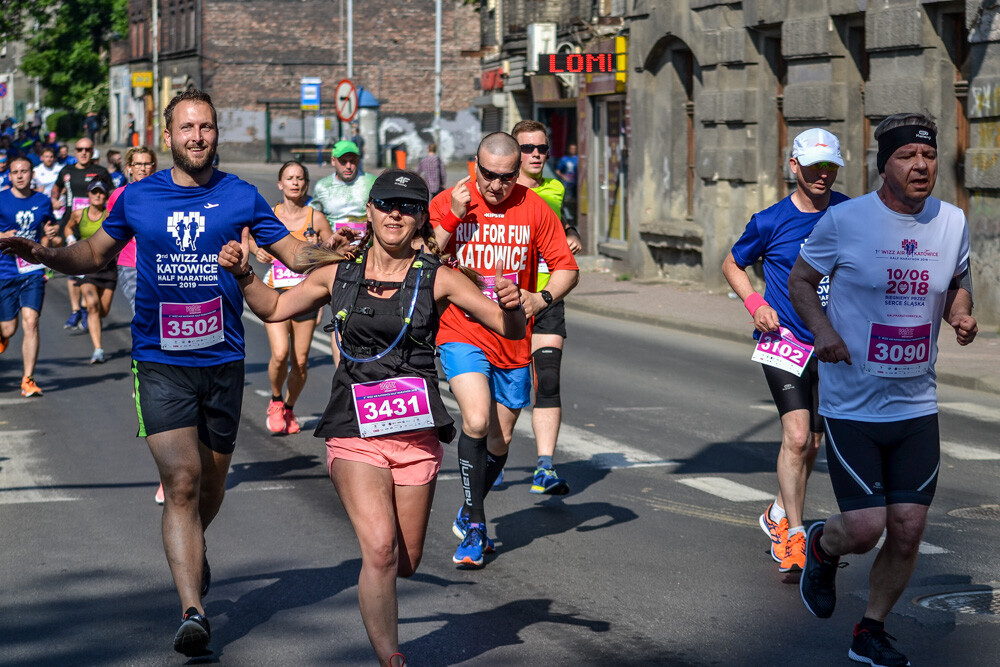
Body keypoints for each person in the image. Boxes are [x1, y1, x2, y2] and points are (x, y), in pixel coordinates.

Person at [0, 88, 319, 658]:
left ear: (216, 135)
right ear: (166, 136)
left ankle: (193, 552)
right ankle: (192, 610)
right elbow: (94, 254)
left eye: (207, 127)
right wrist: (44, 254)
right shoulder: (139, 198)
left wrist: (348, 249)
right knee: (182, 482)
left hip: (222, 360)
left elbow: (294, 255)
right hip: (160, 361)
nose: (197, 136)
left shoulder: (241, 196)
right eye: (187, 128)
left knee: (212, 486)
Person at [220, 168, 525, 667]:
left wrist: (513, 306)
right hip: (353, 428)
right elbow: (275, 308)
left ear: (421, 218)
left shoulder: (439, 278)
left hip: (416, 433)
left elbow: (506, 328)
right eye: (386, 204)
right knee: (380, 550)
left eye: (407, 208)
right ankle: (391, 655)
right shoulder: (340, 271)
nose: (395, 214)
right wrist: (242, 275)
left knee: (406, 561)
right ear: (370, 211)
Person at [789, 113, 977, 667]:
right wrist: (822, 332)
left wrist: (961, 314)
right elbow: (802, 280)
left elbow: (958, 281)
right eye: (907, 157)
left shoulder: (952, 221)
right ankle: (823, 544)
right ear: (883, 165)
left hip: (917, 401)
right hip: (853, 400)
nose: (921, 166)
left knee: (908, 528)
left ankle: (869, 629)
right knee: (867, 528)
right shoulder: (846, 222)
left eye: (929, 156)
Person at [431, 131, 579, 567]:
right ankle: (476, 525)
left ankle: (469, 505)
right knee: (475, 420)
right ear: (474, 165)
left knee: (501, 437)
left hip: (514, 337)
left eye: (506, 177)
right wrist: (454, 218)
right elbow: (421, 257)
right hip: (462, 328)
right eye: (488, 175)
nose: (496, 186)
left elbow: (567, 268)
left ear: (519, 172)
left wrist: (542, 299)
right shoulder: (451, 200)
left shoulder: (535, 209)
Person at [721, 128, 849, 573]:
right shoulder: (770, 220)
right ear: (793, 166)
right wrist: (755, 304)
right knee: (796, 436)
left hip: (833, 343)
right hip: (785, 342)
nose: (822, 175)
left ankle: (777, 510)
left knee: (814, 441)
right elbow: (732, 263)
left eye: (830, 166)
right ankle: (794, 535)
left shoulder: (851, 212)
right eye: (813, 166)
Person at [511, 119, 583, 495]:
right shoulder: (502, 191)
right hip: (506, 299)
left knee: (548, 379)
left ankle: (544, 467)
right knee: (505, 388)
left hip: (547, 295)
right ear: (513, 151)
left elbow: (557, 225)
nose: (536, 154)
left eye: (542, 149)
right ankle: (491, 455)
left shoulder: (554, 187)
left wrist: (571, 234)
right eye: (527, 148)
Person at [253, 160, 333, 434]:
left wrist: (319, 251)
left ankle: (289, 406)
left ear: (306, 184)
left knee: (300, 360)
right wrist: (256, 250)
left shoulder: (316, 219)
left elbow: (332, 254)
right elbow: (248, 235)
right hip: (275, 293)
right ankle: (275, 400)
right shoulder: (269, 214)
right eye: (290, 178)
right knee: (280, 353)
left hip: (306, 295)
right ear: (280, 184)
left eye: (300, 178)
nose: (295, 182)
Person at [0, 156, 59, 396]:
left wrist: (51, 233)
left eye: (25, 171)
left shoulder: (42, 200)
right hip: (5, 271)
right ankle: (3, 336)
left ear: (32, 174)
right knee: (8, 329)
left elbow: (49, 229)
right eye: (16, 172)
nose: (21, 175)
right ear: (10, 175)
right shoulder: (1, 199)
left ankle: (28, 380)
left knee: (31, 323)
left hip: (32, 270)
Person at [50, 137, 110, 331]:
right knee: (72, 267)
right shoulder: (66, 171)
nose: (84, 152)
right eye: (80, 149)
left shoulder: (101, 172)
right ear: (75, 151)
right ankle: (76, 309)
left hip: (94, 223)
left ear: (92, 151)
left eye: (87, 149)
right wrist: (54, 200)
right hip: (72, 222)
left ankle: (86, 307)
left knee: (92, 266)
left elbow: (112, 193)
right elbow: (56, 188)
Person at [64, 175, 116, 364]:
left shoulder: (109, 216)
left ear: (105, 197)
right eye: (94, 192)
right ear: (89, 194)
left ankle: (88, 310)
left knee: (102, 311)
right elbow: (68, 228)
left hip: (108, 269)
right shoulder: (79, 214)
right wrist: (71, 240)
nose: (98, 196)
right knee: (93, 305)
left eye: (101, 193)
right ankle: (98, 349)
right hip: (87, 268)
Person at [111, 146, 158, 319]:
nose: (143, 168)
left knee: (161, 312)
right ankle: (144, 346)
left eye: (147, 164)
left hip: (160, 263)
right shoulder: (118, 195)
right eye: (138, 164)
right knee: (141, 312)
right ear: (129, 167)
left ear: (153, 167)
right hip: (131, 263)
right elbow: (110, 230)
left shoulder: (164, 195)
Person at [554, 143, 578, 222]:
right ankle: (569, 217)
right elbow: (557, 171)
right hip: (567, 185)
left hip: (576, 184)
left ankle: (574, 217)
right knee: (568, 201)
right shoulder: (564, 159)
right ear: (568, 150)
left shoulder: (578, 159)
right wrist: (564, 177)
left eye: (574, 149)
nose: (573, 150)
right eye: (571, 149)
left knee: (575, 201)